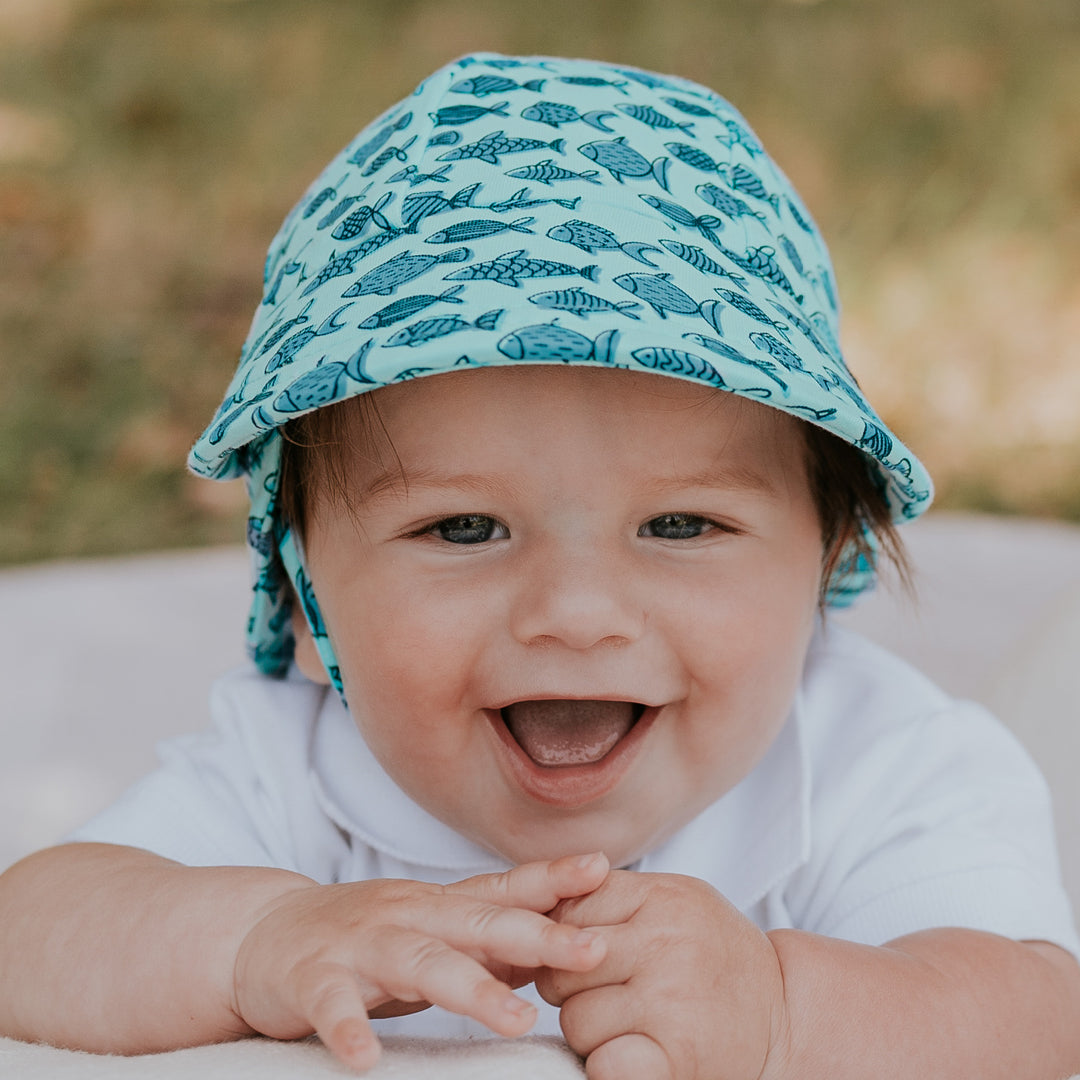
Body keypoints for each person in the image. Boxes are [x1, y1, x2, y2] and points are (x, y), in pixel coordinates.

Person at [1, 52, 1077, 1080]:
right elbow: (32, 933)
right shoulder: (293, 777)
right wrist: (257, 938)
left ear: (828, 554)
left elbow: (1027, 1012)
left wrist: (787, 1013)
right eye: (464, 529)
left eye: (681, 525)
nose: (575, 614)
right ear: (307, 589)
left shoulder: (881, 766)